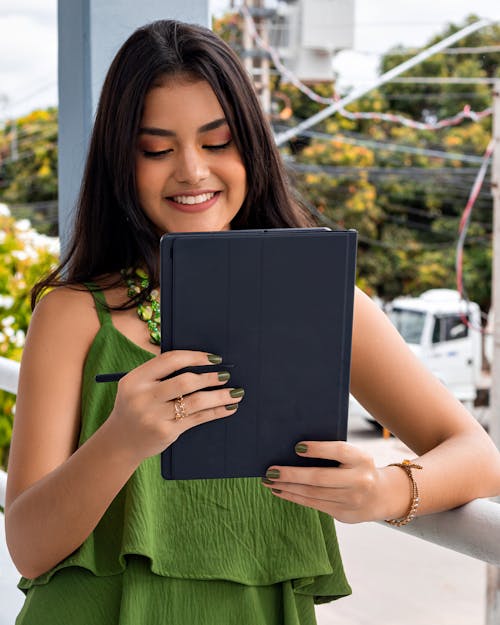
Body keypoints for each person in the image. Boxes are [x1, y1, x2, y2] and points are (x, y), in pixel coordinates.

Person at [5, 18, 500, 625]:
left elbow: (476, 453)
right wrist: (121, 441)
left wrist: (384, 490)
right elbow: (27, 548)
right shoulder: (74, 313)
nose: (191, 170)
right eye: (156, 149)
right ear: (119, 163)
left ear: (253, 147)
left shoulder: (326, 299)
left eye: (217, 142)